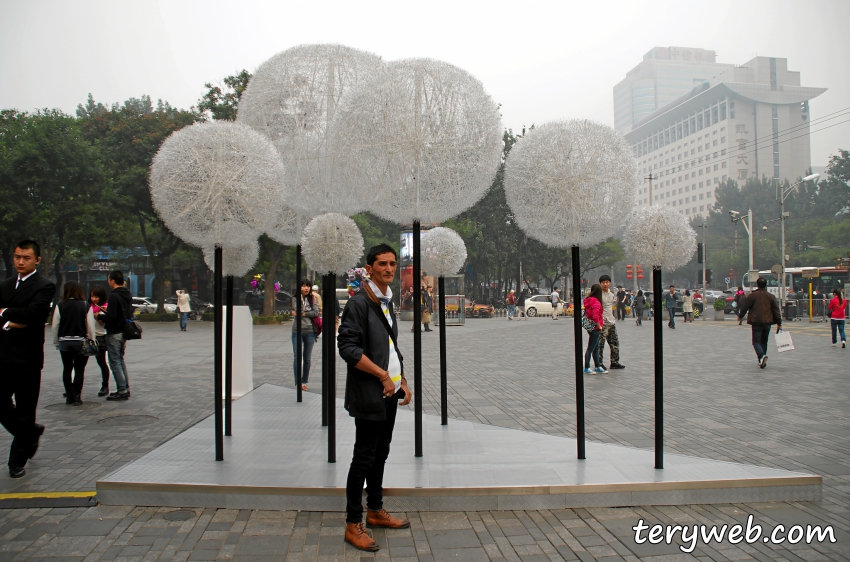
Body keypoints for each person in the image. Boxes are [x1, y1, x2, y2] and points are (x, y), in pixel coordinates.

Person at [338, 244, 412, 552]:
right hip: (370, 392)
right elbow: (348, 348)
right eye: (382, 264)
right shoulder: (359, 303)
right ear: (369, 268)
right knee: (364, 457)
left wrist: (401, 378)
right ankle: (353, 523)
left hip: (389, 391)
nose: (389, 269)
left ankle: (375, 509)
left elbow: (389, 346)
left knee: (381, 451)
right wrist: (382, 375)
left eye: (393, 264)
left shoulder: (384, 300)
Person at [0, 240, 55, 478]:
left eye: (26, 258)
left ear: (37, 260)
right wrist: (10, 321)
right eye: (17, 257)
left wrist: (4, 312)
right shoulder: (4, 285)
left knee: (25, 409)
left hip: (28, 359)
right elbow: (23, 316)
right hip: (2, 356)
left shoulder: (45, 286)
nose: (20, 262)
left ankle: (16, 461)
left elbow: (35, 314)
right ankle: (30, 432)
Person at [51, 282, 96, 405]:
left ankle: (69, 396)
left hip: (64, 342)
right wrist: (92, 340)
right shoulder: (85, 305)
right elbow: (90, 326)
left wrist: (56, 341)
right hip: (80, 342)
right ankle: (77, 396)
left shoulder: (60, 305)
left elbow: (55, 325)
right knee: (79, 369)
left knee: (67, 368)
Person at [97, 270, 133, 400]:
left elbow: (111, 317)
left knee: (114, 361)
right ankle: (125, 387)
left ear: (112, 280)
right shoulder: (127, 294)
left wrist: (100, 315)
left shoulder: (113, 295)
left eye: (108, 279)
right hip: (124, 331)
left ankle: (122, 390)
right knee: (120, 360)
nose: (108, 281)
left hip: (114, 332)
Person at [737, 277, 781, 368]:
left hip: (756, 321)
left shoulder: (752, 296)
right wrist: (779, 322)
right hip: (767, 322)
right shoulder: (771, 296)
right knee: (764, 342)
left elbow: (745, 307)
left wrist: (740, 315)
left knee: (756, 342)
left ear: (757, 285)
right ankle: (762, 360)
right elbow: (776, 310)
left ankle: (761, 356)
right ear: (766, 285)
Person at [292, 280, 319, 391]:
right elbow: (297, 309)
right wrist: (305, 311)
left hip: (310, 331)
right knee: (297, 357)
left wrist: (302, 313)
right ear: (299, 288)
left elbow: (316, 312)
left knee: (307, 358)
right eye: (303, 286)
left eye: (307, 286)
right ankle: (297, 381)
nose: (306, 288)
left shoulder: (313, 299)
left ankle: (304, 381)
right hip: (297, 331)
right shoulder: (295, 299)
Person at [597, 275, 625, 369]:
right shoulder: (598, 294)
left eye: (607, 282)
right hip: (602, 323)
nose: (605, 284)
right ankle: (599, 363)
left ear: (610, 283)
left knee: (615, 343)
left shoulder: (611, 293)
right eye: (603, 282)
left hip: (611, 321)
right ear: (600, 283)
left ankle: (614, 362)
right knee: (600, 344)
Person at [88, 286, 111, 397]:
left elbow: (103, 324)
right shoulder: (88, 307)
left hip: (101, 336)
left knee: (101, 362)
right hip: (89, 337)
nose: (94, 299)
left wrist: (98, 315)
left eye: (96, 296)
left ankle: (105, 386)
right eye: (92, 296)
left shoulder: (105, 307)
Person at [583, 284, 606, 374]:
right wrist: (599, 326)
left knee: (596, 348)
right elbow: (595, 316)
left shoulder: (589, 300)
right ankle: (587, 367)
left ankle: (597, 366)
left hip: (590, 327)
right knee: (591, 348)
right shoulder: (596, 302)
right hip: (595, 328)